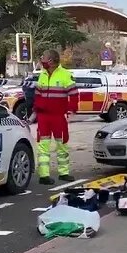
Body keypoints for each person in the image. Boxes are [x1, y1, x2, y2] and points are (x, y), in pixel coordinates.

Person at [32, 50, 78, 184]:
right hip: (43, 117)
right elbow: (38, 94)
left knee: (62, 144)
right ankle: (44, 175)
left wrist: (71, 110)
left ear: (51, 60)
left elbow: (74, 94)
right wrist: (36, 109)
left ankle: (63, 173)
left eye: (44, 57)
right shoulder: (43, 74)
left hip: (58, 116)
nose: (42, 60)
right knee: (43, 146)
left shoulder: (65, 75)